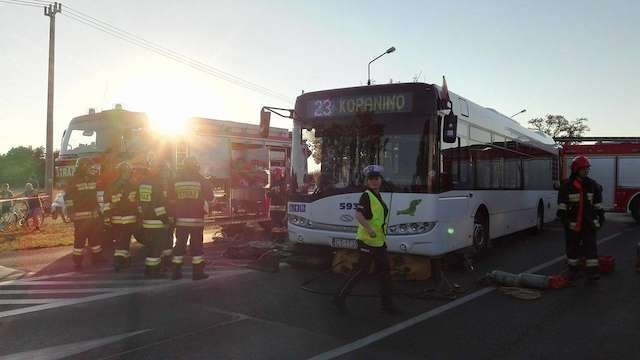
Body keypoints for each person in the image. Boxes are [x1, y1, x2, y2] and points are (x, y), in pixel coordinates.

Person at [333, 164, 397, 315]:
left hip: (379, 242)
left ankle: (387, 304)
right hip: (367, 240)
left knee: (385, 271)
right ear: (367, 182)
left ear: (381, 180)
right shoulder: (366, 196)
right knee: (361, 271)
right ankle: (339, 298)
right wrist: (370, 230)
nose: (374, 181)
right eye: (371, 179)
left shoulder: (377, 196)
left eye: (377, 178)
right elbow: (359, 215)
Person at [557, 155, 605, 284]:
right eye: (584, 168)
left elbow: (598, 205)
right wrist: (566, 222)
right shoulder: (566, 186)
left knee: (591, 249)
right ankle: (573, 270)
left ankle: (592, 273)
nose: (587, 171)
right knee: (572, 249)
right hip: (573, 225)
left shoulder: (592, 185)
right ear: (576, 169)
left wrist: (600, 219)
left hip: (588, 224)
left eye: (587, 168)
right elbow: (562, 208)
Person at [169, 156, 213, 280]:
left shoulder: (175, 180)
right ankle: (197, 273)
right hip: (196, 220)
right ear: (196, 166)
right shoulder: (201, 179)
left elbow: (171, 200)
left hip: (181, 220)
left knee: (179, 245)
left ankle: (176, 273)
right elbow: (210, 198)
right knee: (196, 246)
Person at [65, 158, 105, 269]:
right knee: (79, 240)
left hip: (93, 216)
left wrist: (97, 208)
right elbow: (68, 198)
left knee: (95, 238)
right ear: (82, 167)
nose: (90, 169)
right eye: (88, 167)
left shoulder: (92, 179)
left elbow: (95, 196)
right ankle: (77, 262)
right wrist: (70, 212)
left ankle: (97, 258)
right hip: (80, 216)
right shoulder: (73, 181)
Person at [138, 156, 171, 278]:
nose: (165, 173)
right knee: (157, 248)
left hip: (147, 221)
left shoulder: (142, 182)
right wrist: (165, 219)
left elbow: (139, 201)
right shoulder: (157, 183)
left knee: (151, 247)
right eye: (163, 170)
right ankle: (153, 271)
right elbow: (159, 205)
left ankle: (150, 269)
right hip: (157, 222)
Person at [104, 162, 139, 271]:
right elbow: (137, 202)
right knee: (124, 240)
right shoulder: (133, 184)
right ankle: (118, 260)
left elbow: (106, 202)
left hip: (116, 218)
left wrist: (106, 217)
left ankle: (126, 260)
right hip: (129, 217)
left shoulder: (111, 185)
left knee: (122, 239)